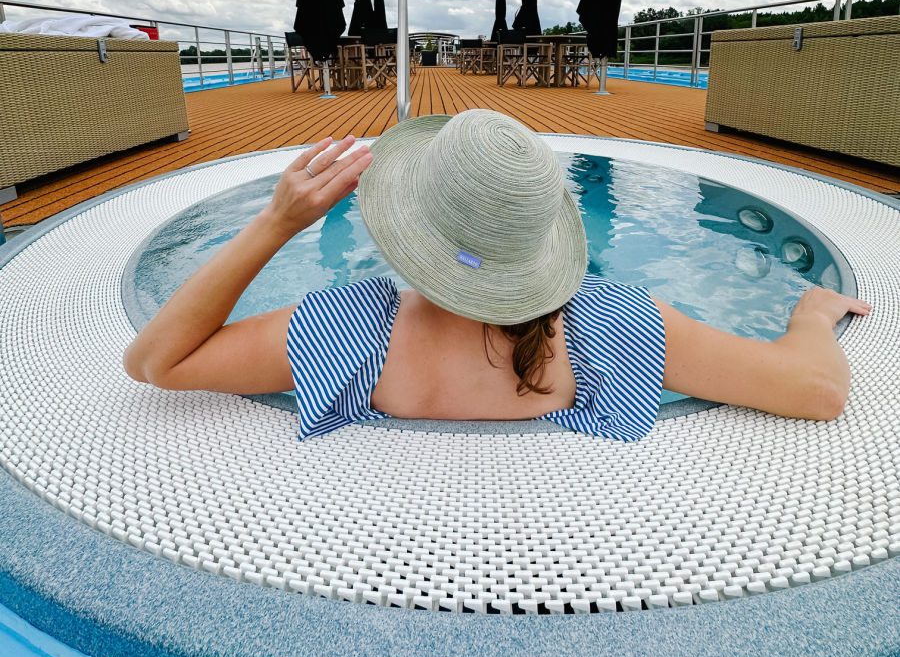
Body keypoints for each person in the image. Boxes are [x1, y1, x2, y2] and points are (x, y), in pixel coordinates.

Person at [123, 110, 869, 440]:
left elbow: (155, 361)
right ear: (539, 240)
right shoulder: (614, 325)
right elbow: (818, 393)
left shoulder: (347, 330)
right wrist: (809, 316)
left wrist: (276, 223)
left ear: (407, 219)